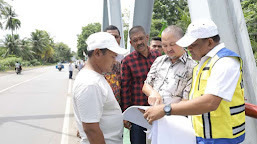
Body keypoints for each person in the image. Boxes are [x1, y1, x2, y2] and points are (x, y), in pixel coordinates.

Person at [143, 19, 245, 144]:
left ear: (209, 42)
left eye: (193, 44)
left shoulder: (225, 62)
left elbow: (210, 102)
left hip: (222, 138)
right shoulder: (203, 63)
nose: (189, 48)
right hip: (202, 136)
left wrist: (165, 109)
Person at [72, 32, 128, 144]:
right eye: (112, 56)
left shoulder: (95, 77)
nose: (115, 61)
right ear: (97, 53)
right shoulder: (90, 84)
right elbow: (91, 129)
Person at [120, 26, 161, 144]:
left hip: (158, 110)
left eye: (141, 38)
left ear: (147, 37)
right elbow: (125, 89)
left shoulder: (158, 57)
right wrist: (127, 115)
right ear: (131, 43)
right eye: (135, 40)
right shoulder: (128, 61)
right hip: (138, 113)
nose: (139, 42)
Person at [142, 25, 197, 106]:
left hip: (174, 115)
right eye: (164, 45)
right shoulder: (159, 61)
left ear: (182, 41)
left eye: (172, 44)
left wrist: (165, 110)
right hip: (153, 112)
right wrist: (153, 93)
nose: (168, 49)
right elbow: (146, 86)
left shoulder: (192, 66)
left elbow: (186, 100)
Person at [103, 25, 123, 105]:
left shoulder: (125, 59)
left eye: (116, 37)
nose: (113, 39)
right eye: (110, 37)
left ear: (120, 39)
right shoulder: (98, 59)